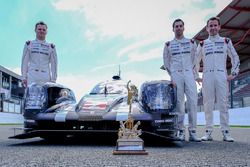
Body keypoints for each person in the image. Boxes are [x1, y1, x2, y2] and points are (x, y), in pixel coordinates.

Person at [195, 17, 240, 142]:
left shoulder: (226, 41)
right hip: (207, 76)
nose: (213, 28)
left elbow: (235, 57)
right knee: (207, 105)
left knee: (223, 104)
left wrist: (234, 73)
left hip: (221, 75)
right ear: (207, 28)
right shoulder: (203, 44)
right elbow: (195, 61)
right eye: (211, 25)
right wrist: (196, 76)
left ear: (219, 27)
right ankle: (208, 132)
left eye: (215, 25)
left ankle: (226, 132)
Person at [163, 19, 201, 142]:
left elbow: (195, 60)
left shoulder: (191, 43)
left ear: (184, 28)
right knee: (179, 104)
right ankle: (180, 131)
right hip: (176, 76)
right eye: (176, 26)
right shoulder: (168, 45)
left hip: (189, 74)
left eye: (180, 26)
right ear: (173, 29)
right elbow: (166, 63)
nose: (178, 28)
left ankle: (193, 132)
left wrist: (195, 75)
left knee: (192, 103)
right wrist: (172, 75)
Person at [21, 21, 58, 87]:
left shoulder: (51, 47)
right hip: (32, 76)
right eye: (39, 29)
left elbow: (54, 65)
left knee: (45, 97)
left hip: (45, 77)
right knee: (30, 97)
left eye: (44, 30)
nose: (42, 31)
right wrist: (24, 77)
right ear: (35, 30)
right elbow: (24, 62)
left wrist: (53, 80)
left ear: (46, 32)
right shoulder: (29, 44)